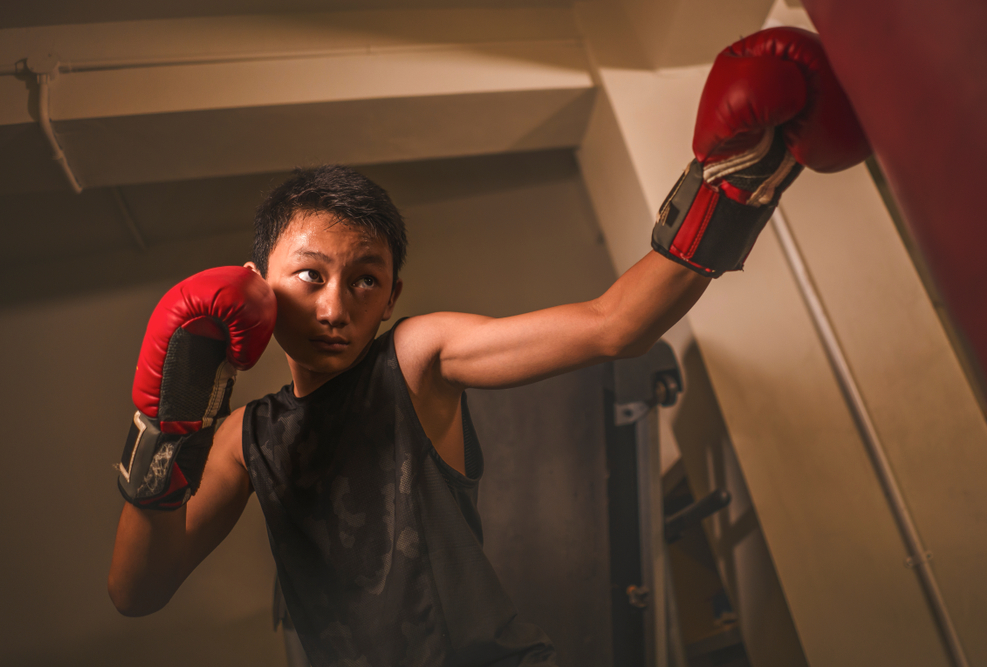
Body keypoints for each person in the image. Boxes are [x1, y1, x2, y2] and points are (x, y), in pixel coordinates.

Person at [107, 27, 869, 667]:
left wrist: (726, 185)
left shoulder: (416, 357)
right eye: (309, 275)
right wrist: (162, 437)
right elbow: (136, 592)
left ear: (392, 296)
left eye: (365, 280)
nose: (336, 304)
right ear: (259, 285)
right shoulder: (246, 438)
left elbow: (614, 324)